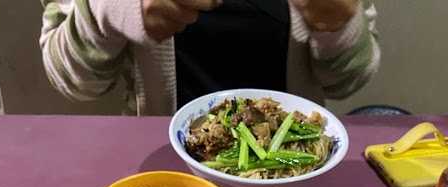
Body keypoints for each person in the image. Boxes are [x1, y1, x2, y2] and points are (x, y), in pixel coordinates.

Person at [40, 0, 379, 115]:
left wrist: (338, 26)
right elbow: (74, 81)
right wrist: (111, 11)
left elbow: (347, 82)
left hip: (293, 165)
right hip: (166, 170)